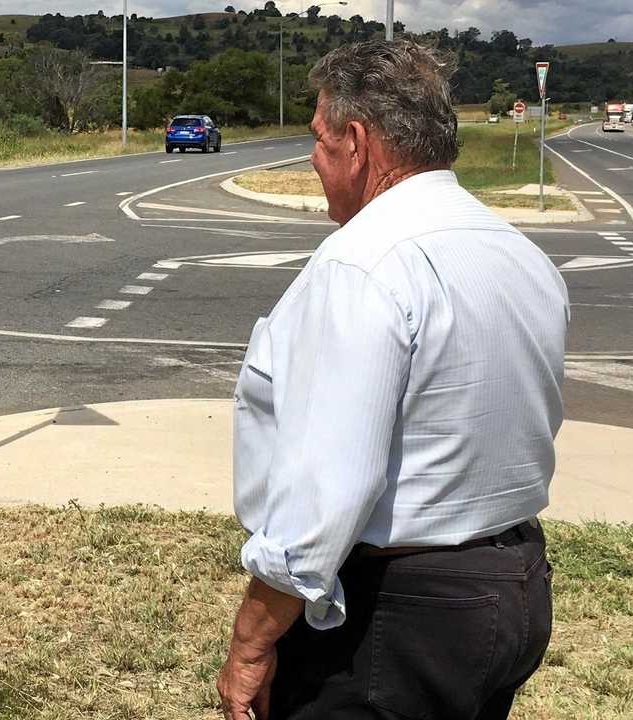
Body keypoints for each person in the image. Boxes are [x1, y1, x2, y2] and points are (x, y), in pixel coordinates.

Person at [217, 40, 568, 720]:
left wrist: (252, 639)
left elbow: (327, 484)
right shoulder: (517, 252)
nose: (314, 162)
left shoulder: (362, 267)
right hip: (513, 582)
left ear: (355, 141)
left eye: (318, 141)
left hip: (397, 611)